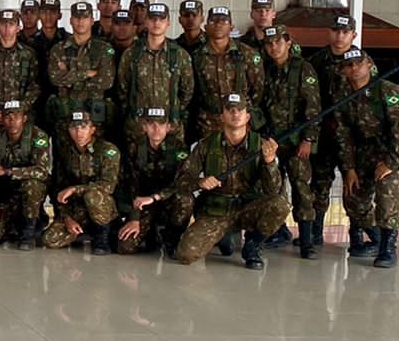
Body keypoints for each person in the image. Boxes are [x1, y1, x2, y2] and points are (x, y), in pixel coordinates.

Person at [172, 93, 289, 270]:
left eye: (240, 110)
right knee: (186, 255)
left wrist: (269, 162)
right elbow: (182, 179)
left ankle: (253, 245)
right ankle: (226, 235)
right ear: (222, 116)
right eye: (230, 110)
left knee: (280, 205)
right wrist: (200, 182)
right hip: (217, 210)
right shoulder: (206, 145)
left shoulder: (262, 146)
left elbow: (273, 190)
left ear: (247, 116)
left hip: (248, 208)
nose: (235, 114)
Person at [334, 49, 399, 268]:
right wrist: (349, 169)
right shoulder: (343, 96)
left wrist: (390, 163)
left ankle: (387, 248)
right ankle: (377, 237)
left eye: (358, 63)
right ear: (343, 70)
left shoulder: (386, 90)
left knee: (386, 192)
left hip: (395, 151)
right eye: (348, 65)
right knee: (353, 197)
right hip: (364, 152)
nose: (354, 68)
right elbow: (343, 135)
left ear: (369, 64)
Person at [257, 25, 322, 258]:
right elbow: (256, 104)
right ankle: (273, 232)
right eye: (269, 43)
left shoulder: (303, 68)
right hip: (271, 141)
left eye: (278, 42)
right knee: (271, 187)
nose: (274, 47)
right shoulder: (264, 70)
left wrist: (308, 139)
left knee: (302, 188)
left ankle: (307, 241)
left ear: (288, 42)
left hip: (296, 143)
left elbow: (313, 107)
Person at [306, 14, 364, 250]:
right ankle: (315, 233)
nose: (340, 36)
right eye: (336, 31)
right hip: (324, 134)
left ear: (353, 35)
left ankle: (357, 236)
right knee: (319, 185)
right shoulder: (317, 61)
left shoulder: (362, 62)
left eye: (345, 32)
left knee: (355, 186)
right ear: (329, 32)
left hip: (354, 137)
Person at [116, 3, 193, 153]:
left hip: (169, 125)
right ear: (146, 22)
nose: (157, 23)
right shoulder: (131, 54)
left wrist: (174, 111)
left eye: (161, 19)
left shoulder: (179, 55)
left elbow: (187, 90)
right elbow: (122, 89)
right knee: (136, 163)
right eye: (152, 19)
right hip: (138, 126)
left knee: (171, 163)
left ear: (168, 22)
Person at [40, 110, 120, 254]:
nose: (79, 132)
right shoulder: (66, 152)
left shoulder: (108, 150)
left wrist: (75, 189)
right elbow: (59, 187)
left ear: (92, 129)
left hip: (103, 206)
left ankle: (102, 239)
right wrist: (66, 217)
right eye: (74, 128)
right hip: (77, 207)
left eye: (83, 127)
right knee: (50, 240)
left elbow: (109, 185)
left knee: (92, 195)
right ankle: (85, 231)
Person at [118, 108, 193, 257]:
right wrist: (134, 218)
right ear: (144, 127)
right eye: (151, 124)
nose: (156, 128)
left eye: (161, 124)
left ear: (168, 127)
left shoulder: (179, 149)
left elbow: (182, 182)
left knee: (185, 200)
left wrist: (156, 197)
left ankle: (172, 237)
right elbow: (131, 184)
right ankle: (151, 233)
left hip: (169, 200)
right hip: (142, 203)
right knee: (125, 247)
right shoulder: (135, 148)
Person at [0, 101, 52, 250]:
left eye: (16, 117)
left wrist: (8, 172)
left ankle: (28, 233)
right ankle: (12, 225)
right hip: (5, 195)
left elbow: (42, 171)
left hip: (29, 194)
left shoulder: (38, 136)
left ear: (24, 118)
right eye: (7, 117)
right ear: (1, 119)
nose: (12, 121)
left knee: (32, 184)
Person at [190, 7, 264, 144]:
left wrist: (243, 111)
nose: (218, 24)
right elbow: (192, 91)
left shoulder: (247, 54)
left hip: (240, 122)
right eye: (213, 21)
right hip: (208, 124)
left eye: (224, 21)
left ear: (231, 27)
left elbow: (257, 89)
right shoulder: (197, 56)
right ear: (206, 27)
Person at [47, 2, 115, 139]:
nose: (80, 21)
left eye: (85, 17)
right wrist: (86, 74)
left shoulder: (104, 49)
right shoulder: (58, 49)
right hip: (66, 115)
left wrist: (69, 76)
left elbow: (106, 82)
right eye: (77, 17)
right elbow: (55, 79)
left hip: (94, 116)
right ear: (71, 20)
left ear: (92, 21)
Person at [0, 9, 39, 139]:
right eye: (3, 24)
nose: (7, 28)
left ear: (18, 28)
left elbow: (35, 85)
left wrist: (18, 112)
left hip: (20, 119)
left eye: (11, 24)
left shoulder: (28, 54)